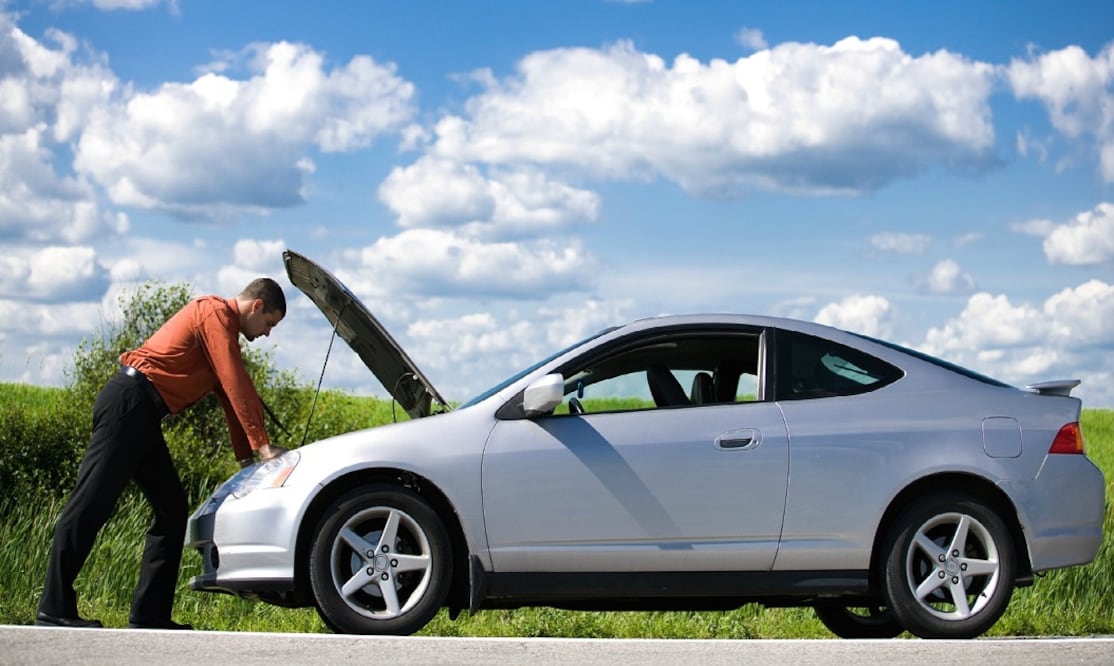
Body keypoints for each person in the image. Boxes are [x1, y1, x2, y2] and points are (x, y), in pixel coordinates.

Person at [36, 278, 289, 630]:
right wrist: (262, 445)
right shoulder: (214, 313)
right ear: (256, 306)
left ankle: (150, 614)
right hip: (128, 404)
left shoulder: (225, 335)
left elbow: (229, 398)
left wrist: (248, 460)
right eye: (269, 323)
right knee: (90, 504)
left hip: (145, 417)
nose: (267, 333)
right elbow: (235, 381)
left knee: (172, 509)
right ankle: (54, 606)